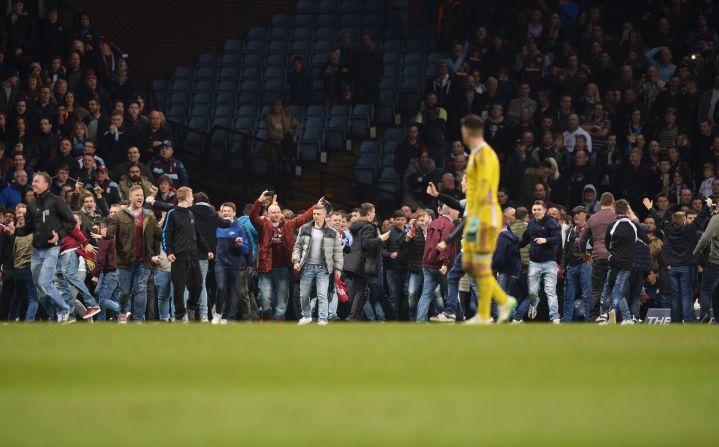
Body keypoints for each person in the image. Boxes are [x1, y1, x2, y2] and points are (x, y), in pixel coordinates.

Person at [459, 114, 518, 324]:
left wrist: (474, 221)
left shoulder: (482, 154)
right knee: (471, 264)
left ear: (466, 131)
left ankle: (501, 301)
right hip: (481, 215)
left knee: (476, 265)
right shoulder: (481, 153)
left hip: (483, 216)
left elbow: (483, 189)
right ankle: (485, 313)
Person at [14, 172, 76, 323]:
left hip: (52, 249)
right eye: (33, 181)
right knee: (39, 290)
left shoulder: (57, 201)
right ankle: (52, 315)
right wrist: (16, 231)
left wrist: (59, 235)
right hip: (36, 251)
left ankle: (64, 308)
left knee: (44, 283)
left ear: (46, 185)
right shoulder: (31, 204)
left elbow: (71, 221)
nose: (33, 183)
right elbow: (29, 228)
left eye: (36, 181)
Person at [249, 190, 315, 321]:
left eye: (278, 212)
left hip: (283, 268)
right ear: (268, 213)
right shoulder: (262, 225)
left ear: (281, 213)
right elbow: (252, 215)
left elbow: (304, 218)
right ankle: (265, 314)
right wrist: (260, 201)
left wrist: (315, 207)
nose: (276, 214)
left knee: (282, 297)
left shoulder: (289, 225)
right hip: (266, 268)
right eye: (273, 212)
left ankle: (278, 320)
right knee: (265, 297)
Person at [644, 197, 711, 323]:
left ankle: (675, 321)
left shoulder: (668, 229)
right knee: (686, 295)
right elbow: (700, 218)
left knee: (675, 295)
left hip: (673, 268)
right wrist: (707, 206)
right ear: (684, 220)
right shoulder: (688, 229)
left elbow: (659, 219)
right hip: (686, 267)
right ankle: (687, 320)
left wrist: (650, 208)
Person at [101, 185, 161, 322]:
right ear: (130, 197)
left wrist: (168, 247)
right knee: (125, 293)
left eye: (141, 195)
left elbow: (159, 235)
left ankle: (138, 319)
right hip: (125, 261)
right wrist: (104, 233)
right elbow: (110, 234)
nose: (140, 197)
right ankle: (122, 312)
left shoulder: (148, 215)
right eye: (137, 195)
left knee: (140, 289)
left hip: (144, 260)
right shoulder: (119, 215)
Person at [162, 187, 213, 322]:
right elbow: (165, 233)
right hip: (178, 258)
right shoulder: (172, 213)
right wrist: (169, 252)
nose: (193, 199)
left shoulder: (191, 214)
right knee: (178, 290)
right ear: (186, 197)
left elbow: (198, 234)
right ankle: (179, 316)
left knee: (198, 285)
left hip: (193, 257)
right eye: (191, 196)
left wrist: (207, 249)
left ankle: (191, 307)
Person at [292, 203, 343, 325]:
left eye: (318, 214)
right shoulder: (305, 228)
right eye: (314, 214)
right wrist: (296, 260)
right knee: (303, 295)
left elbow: (338, 252)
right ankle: (307, 316)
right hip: (307, 266)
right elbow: (297, 246)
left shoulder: (333, 232)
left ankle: (322, 319)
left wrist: (338, 269)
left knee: (322, 295)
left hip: (323, 267)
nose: (315, 216)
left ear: (325, 215)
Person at [343, 203, 389, 321]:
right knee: (363, 292)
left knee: (361, 291)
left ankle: (353, 316)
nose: (374, 214)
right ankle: (352, 316)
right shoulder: (369, 226)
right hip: (363, 263)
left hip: (355, 263)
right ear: (369, 213)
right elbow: (367, 244)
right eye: (373, 212)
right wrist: (381, 238)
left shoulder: (355, 226)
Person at [415, 203, 459, 322]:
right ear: (450, 211)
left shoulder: (433, 222)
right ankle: (460, 320)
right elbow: (445, 244)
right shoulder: (449, 225)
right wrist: (445, 263)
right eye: (456, 210)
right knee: (451, 294)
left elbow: (430, 243)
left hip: (427, 264)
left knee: (426, 295)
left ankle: (419, 322)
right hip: (440, 266)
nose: (458, 212)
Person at [519, 200, 562, 323]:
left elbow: (558, 238)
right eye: (534, 210)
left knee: (551, 292)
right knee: (532, 292)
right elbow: (526, 238)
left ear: (544, 210)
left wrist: (546, 240)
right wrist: (516, 246)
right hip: (534, 263)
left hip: (549, 263)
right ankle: (533, 305)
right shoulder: (531, 222)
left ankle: (555, 318)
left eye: (538, 209)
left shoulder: (551, 222)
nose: (536, 212)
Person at [578, 192, 617, 322]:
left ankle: (594, 318)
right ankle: (613, 315)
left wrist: (585, 254)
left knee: (596, 289)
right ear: (613, 202)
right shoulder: (618, 217)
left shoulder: (593, 218)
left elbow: (581, 240)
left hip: (597, 256)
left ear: (600, 203)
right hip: (614, 257)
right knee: (614, 287)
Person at [601, 200, 638, 324]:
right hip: (628, 262)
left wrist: (614, 251)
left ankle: (605, 313)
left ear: (615, 210)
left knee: (608, 286)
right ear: (627, 210)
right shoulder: (634, 225)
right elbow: (641, 240)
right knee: (618, 287)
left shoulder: (613, 225)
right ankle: (614, 311)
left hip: (615, 261)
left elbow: (607, 243)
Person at [214, 202, 251, 324]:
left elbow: (247, 249)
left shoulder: (240, 227)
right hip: (220, 263)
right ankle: (217, 314)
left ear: (234, 213)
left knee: (231, 291)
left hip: (235, 264)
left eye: (229, 211)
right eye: (224, 211)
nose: (226, 213)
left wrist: (240, 245)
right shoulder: (217, 226)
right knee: (220, 287)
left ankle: (225, 317)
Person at [561, 206, 592, 322]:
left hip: (585, 264)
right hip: (572, 266)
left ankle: (588, 321)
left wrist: (588, 260)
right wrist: (563, 266)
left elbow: (592, 247)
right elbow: (565, 249)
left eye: (578, 213)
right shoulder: (570, 230)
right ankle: (566, 321)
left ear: (584, 215)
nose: (575, 216)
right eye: (574, 213)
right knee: (568, 295)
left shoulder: (590, 229)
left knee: (587, 295)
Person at [693, 205, 719, 322]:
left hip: (715, 261)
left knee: (706, 289)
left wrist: (696, 251)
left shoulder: (716, 219)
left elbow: (705, 237)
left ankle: (705, 314)